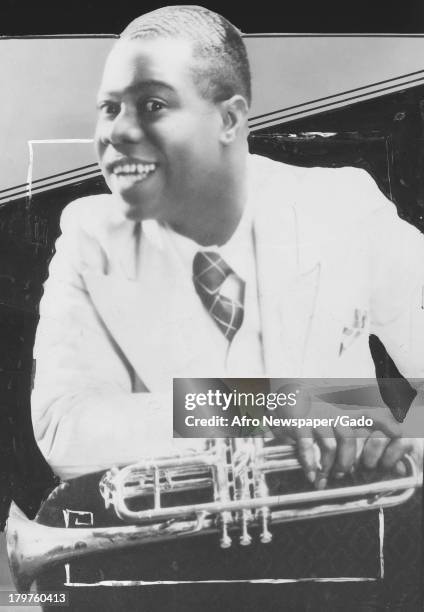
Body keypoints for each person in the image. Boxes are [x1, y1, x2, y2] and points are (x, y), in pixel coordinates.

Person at [32, 5, 424, 492]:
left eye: (152, 105)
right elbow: (64, 426)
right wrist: (261, 410)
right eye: (109, 108)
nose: (116, 132)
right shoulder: (89, 233)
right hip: (174, 558)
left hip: (351, 537)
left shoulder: (343, 205)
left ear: (229, 118)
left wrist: (408, 441)